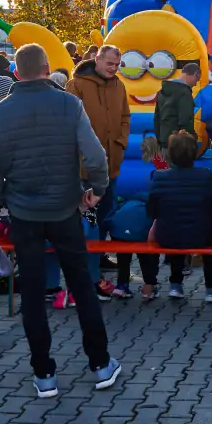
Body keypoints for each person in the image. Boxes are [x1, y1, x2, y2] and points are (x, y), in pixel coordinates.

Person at [0, 43, 120, 397]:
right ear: (46, 69)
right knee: (82, 287)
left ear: (15, 73)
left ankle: (44, 374)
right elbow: (94, 155)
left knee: (33, 292)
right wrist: (97, 189)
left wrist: (2, 195)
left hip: (24, 212)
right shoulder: (69, 105)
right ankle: (100, 363)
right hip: (65, 209)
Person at [67, 44, 132, 274]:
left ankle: (100, 255)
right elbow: (69, 122)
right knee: (84, 216)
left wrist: (121, 142)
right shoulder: (76, 85)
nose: (113, 68)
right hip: (84, 166)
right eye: (110, 64)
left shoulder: (119, 86)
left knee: (105, 212)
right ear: (97, 59)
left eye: (117, 65)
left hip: (111, 164)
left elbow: (125, 116)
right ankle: (80, 261)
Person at [146, 131, 212, 301]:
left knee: (175, 231)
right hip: (201, 235)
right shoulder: (205, 175)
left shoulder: (160, 176)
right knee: (208, 243)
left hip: (167, 235)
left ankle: (176, 285)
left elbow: (151, 211)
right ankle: (211, 288)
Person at [154, 62, 201, 148]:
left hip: (163, 138)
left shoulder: (162, 91)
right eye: (197, 80)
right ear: (195, 74)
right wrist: (193, 137)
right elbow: (186, 118)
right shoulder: (185, 92)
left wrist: (159, 139)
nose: (195, 84)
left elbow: (157, 117)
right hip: (179, 142)